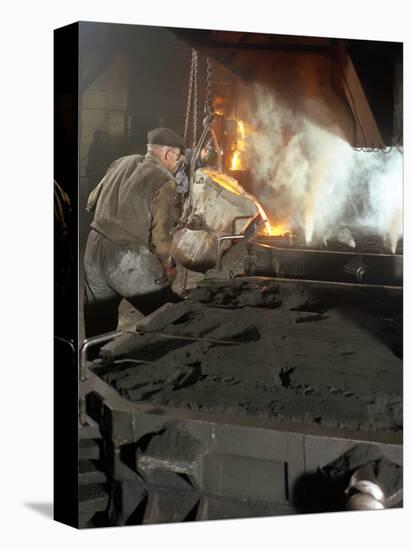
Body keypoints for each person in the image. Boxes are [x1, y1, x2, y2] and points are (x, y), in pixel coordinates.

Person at [83, 127, 186, 338]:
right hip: (125, 257)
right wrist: (168, 265)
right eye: (178, 161)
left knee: (99, 321)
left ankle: (94, 364)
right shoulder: (165, 180)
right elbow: (160, 235)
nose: (177, 167)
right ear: (169, 154)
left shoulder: (121, 161)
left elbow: (91, 201)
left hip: (93, 248)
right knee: (170, 314)